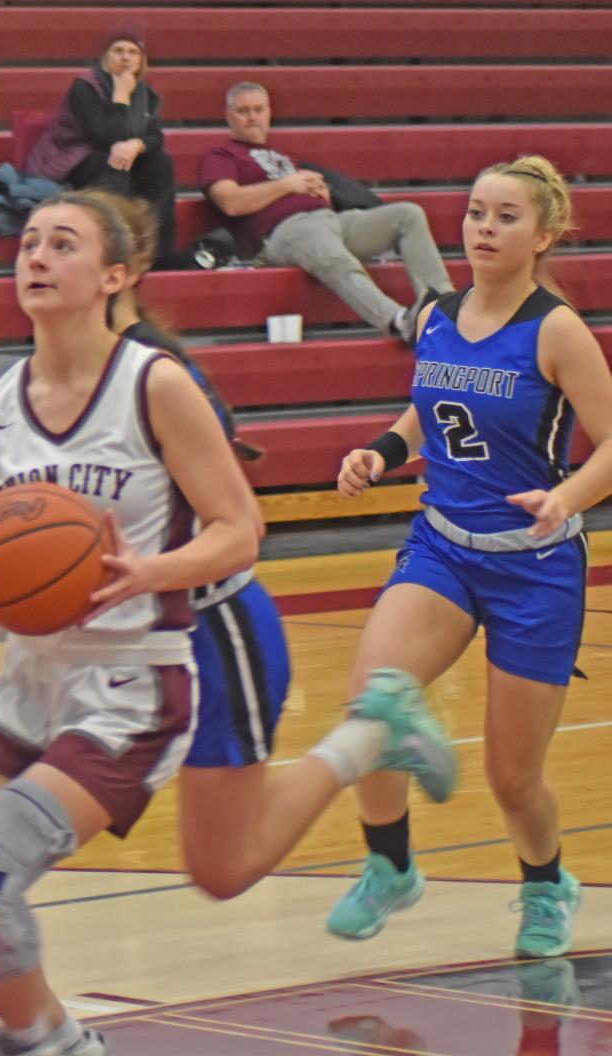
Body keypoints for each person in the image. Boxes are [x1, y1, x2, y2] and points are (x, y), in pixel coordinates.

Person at [0, 190, 458, 1056]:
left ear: (116, 275)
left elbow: (239, 530)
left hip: (158, 660)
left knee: (182, 870)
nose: (34, 256)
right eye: (27, 241)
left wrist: (152, 571)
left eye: (60, 243)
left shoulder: (155, 386)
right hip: (33, 681)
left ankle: (369, 738)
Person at [328, 155, 612, 959]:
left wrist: (568, 497)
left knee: (512, 778)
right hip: (443, 549)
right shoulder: (437, 315)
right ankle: (390, 865)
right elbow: (428, 408)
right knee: (372, 703)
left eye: (506, 217)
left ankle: (547, 882)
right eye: (477, 213)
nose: (484, 229)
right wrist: (382, 451)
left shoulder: (555, 329)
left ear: (545, 234)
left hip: (535, 563)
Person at [198, 81, 455, 345]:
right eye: (243, 111)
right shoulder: (221, 156)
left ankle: (444, 309)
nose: (252, 117)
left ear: (269, 113)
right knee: (334, 257)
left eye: (258, 109)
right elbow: (230, 202)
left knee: (408, 215)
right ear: (229, 117)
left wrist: (320, 190)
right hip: (285, 232)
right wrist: (288, 184)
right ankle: (400, 322)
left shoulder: (282, 157)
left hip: (331, 222)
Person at [24, 24, 178, 265]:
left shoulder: (145, 93)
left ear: (141, 60)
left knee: (161, 163)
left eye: (132, 52)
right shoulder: (84, 87)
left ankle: (159, 252)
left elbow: (156, 137)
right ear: (105, 57)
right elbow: (105, 135)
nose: (126, 57)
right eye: (118, 51)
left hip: (120, 155)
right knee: (114, 160)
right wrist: (120, 96)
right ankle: (115, 247)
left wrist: (136, 145)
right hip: (74, 157)